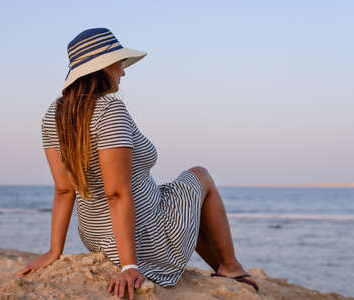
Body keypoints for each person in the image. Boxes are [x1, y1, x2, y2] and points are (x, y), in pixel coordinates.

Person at [16, 28, 258, 299]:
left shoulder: (53, 114)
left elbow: (63, 189)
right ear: (105, 66)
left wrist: (54, 250)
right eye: (120, 64)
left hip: (97, 237)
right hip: (141, 237)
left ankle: (226, 267)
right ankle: (230, 266)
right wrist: (129, 265)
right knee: (200, 175)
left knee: (179, 201)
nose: (123, 72)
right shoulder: (110, 110)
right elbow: (117, 192)